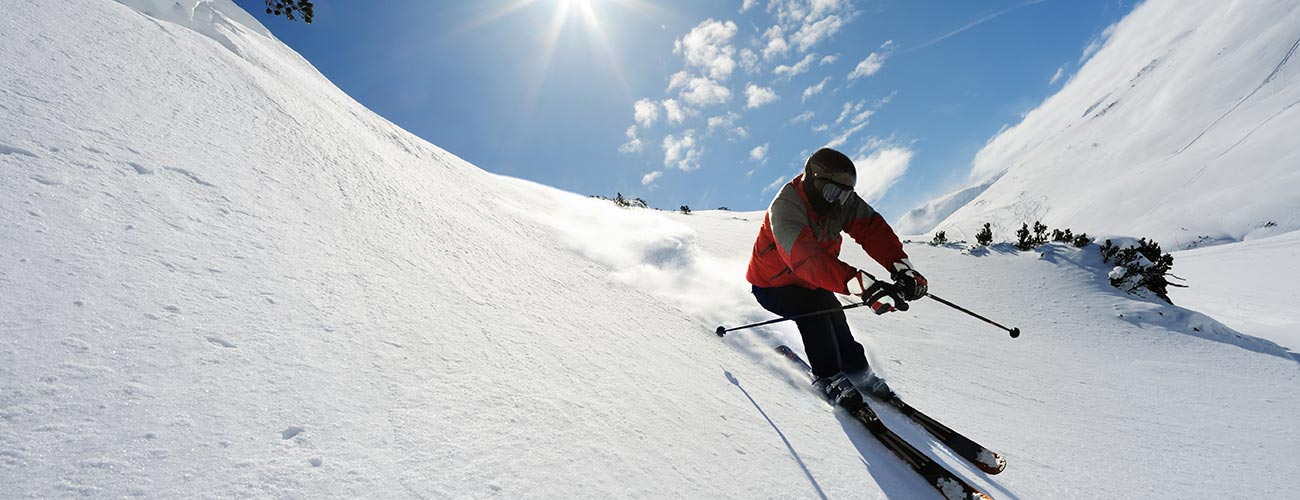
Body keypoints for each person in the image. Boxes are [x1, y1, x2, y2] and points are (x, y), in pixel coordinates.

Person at [746, 147, 928, 405]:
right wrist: (862, 285)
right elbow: (805, 259)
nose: (835, 200)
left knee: (834, 314)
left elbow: (872, 230)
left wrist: (901, 267)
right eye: (831, 192)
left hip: (813, 281)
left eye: (844, 195)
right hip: (772, 285)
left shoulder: (841, 202)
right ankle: (828, 375)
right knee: (815, 315)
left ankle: (859, 371)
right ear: (812, 180)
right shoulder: (785, 207)